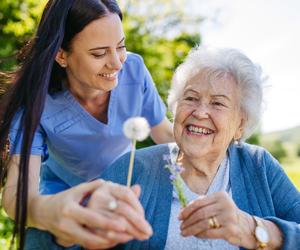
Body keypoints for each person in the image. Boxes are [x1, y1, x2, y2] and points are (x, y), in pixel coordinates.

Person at [0, 0, 173, 249]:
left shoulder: (134, 70)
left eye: (121, 46)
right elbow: (16, 195)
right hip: (62, 193)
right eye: (99, 53)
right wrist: (50, 212)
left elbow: (165, 133)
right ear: (61, 55)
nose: (116, 63)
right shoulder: (35, 101)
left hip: (125, 188)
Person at [90, 47, 299, 249]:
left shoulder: (258, 165)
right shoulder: (132, 168)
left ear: (240, 125)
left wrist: (253, 230)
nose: (199, 113)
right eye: (190, 98)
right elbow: (74, 238)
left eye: (217, 103)